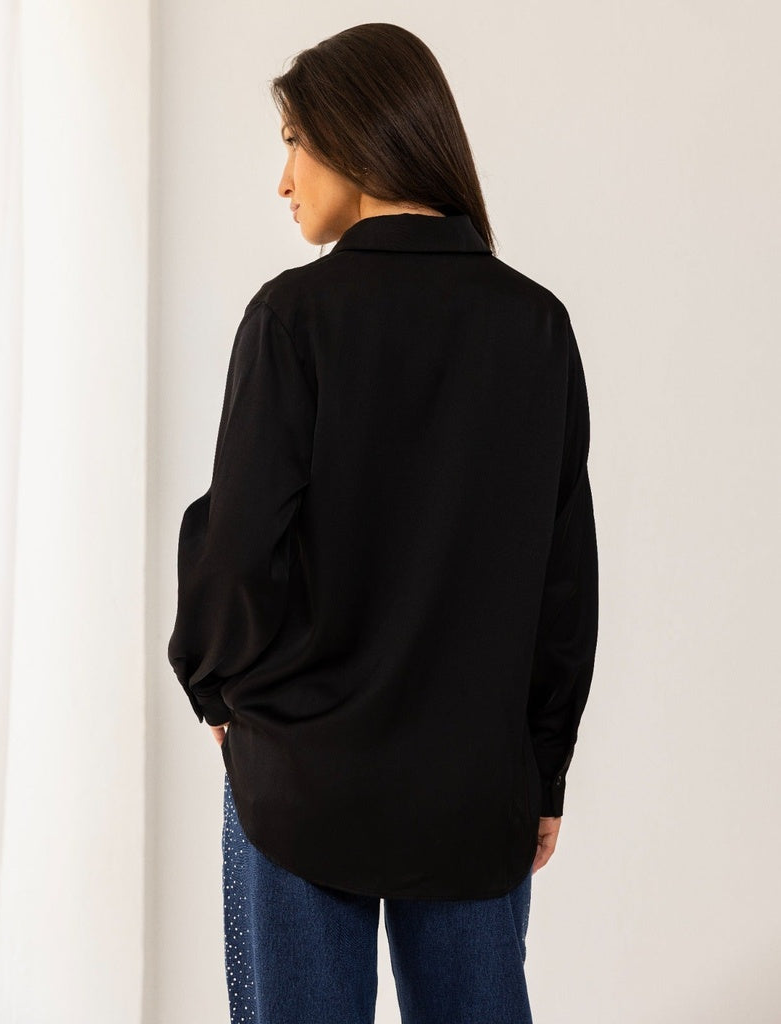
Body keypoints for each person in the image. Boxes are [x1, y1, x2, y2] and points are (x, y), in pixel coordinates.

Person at [167, 22, 599, 1024]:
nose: (283, 179)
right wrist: (543, 766)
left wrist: (211, 680)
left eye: (293, 141)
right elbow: (562, 577)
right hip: (473, 787)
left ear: (355, 136)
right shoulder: (534, 326)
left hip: (301, 778)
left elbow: (238, 546)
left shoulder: (294, 318)